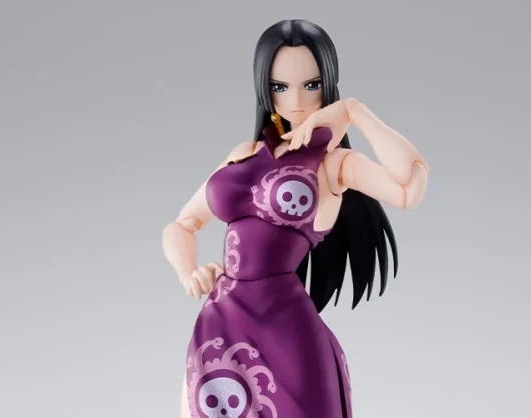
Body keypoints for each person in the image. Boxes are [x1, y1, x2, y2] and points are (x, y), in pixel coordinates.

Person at [162, 19, 429, 418]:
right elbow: (181, 225)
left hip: (287, 332)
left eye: (312, 85)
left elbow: (409, 187)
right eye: (280, 87)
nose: (297, 100)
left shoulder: (333, 164)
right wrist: (189, 272)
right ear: (263, 89)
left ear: (329, 84)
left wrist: (355, 112)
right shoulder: (244, 154)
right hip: (220, 324)